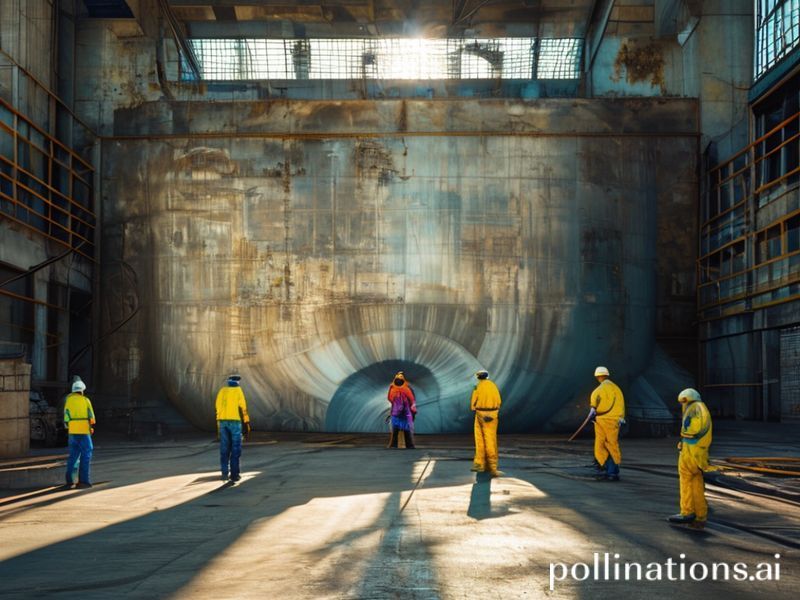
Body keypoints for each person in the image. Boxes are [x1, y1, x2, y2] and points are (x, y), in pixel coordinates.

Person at [668, 388, 713, 529]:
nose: (683, 405)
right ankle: (700, 517)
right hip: (700, 454)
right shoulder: (702, 408)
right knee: (697, 485)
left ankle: (687, 512)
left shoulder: (694, 409)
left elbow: (691, 432)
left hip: (690, 454)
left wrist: (683, 442)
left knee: (686, 481)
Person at [588, 366, 625, 481]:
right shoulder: (617, 389)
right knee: (612, 445)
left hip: (601, 421)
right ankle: (612, 470)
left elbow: (593, 410)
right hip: (614, 421)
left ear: (597, 376)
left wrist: (590, 417)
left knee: (601, 444)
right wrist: (621, 418)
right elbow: (622, 406)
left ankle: (607, 469)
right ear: (607, 375)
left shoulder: (597, 391)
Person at [215, 374, 251, 481]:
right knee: (235, 448)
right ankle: (234, 475)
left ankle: (224, 472)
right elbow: (243, 408)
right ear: (237, 383)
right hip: (235, 422)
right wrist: (247, 425)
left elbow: (217, 406)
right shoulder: (238, 391)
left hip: (222, 422)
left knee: (224, 448)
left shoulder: (222, 391)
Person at [63, 376, 95, 489]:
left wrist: (70, 426)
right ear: (81, 390)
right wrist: (90, 427)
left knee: (73, 456)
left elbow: (66, 417)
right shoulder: (86, 400)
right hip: (83, 431)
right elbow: (92, 418)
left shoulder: (68, 400)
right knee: (86, 454)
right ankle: (83, 481)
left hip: (72, 432)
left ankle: (69, 481)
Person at [470, 369, 502, 477]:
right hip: (492, 414)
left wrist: (473, 407)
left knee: (480, 439)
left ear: (478, 377)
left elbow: (473, 400)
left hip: (480, 414)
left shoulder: (477, 386)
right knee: (491, 439)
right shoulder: (493, 386)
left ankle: (479, 464)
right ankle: (492, 466)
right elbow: (498, 401)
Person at [387, 372, 416, 448]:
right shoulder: (393, 388)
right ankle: (395, 444)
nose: (398, 382)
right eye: (397, 380)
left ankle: (408, 445)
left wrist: (413, 408)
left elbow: (412, 399)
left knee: (405, 430)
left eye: (400, 380)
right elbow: (390, 399)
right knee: (397, 430)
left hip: (404, 413)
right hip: (397, 413)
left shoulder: (406, 388)